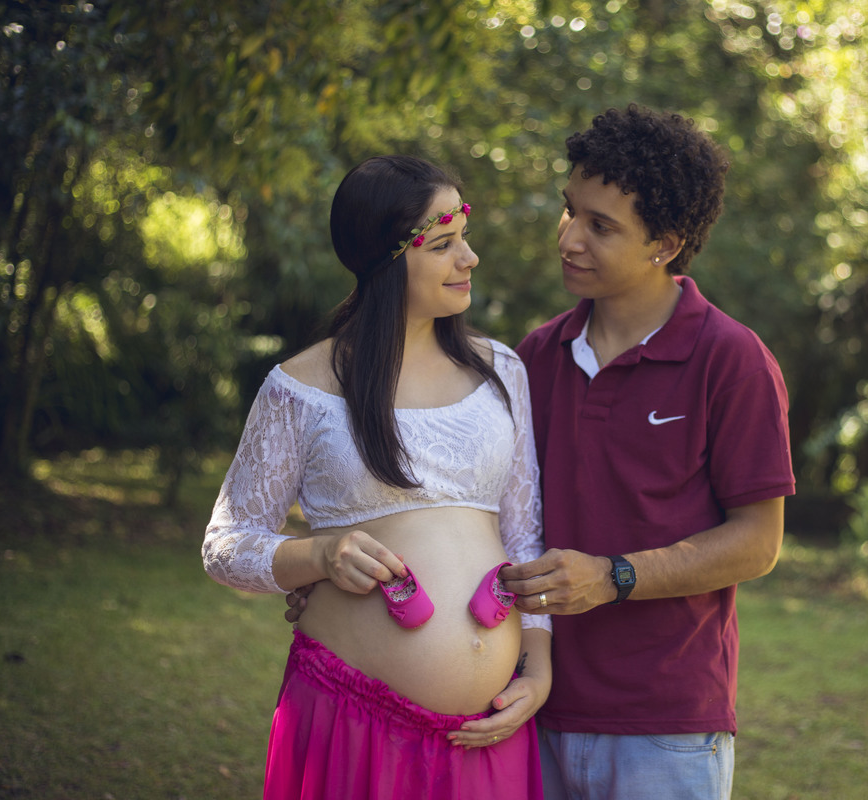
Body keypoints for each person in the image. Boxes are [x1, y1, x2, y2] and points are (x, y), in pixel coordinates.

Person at [202, 155, 552, 800]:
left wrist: (539, 665)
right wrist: (319, 555)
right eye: (444, 245)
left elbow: (525, 538)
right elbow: (226, 545)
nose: (469, 258)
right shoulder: (299, 390)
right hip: (350, 715)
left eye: (463, 239)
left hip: (489, 726)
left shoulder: (502, 370)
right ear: (388, 260)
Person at [499, 105, 795, 799]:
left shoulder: (732, 360)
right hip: (529, 708)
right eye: (569, 210)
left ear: (664, 245)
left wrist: (613, 576)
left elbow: (758, 543)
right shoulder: (534, 358)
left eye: (601, 226)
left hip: (667, 729)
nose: (569, 238)